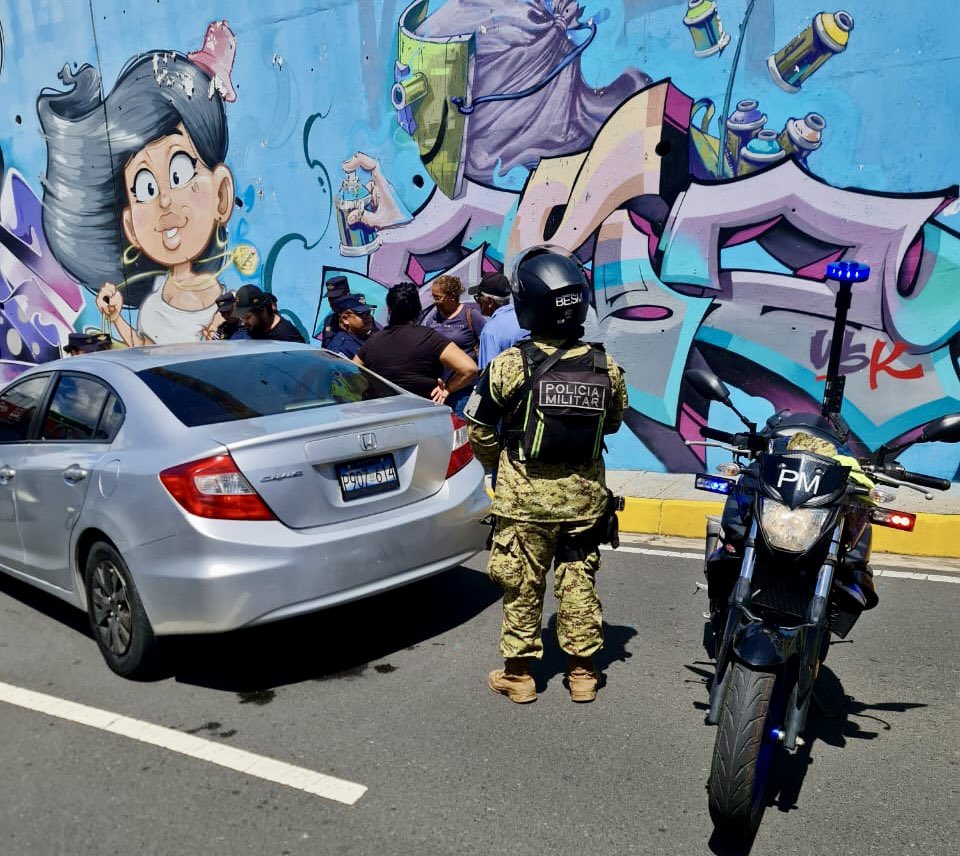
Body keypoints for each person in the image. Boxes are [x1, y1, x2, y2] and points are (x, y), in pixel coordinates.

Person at [465, 245, 628, 704]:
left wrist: (496, 465)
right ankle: (582, 674)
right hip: (584, 501)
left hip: (524, 503)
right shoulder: (606, 367)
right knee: (578, 582)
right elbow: (613, 423)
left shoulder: (510, 365)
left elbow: (479, 426)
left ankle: (519, 677)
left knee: (521, 585)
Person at [39, 24, 244, 346]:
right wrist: (117, 318)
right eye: (145, 187)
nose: (165, 201)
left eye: (180, 172)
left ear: (222, 193)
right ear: (130, 225)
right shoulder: (153, 305)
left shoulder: (224, 301)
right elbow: (144, 353)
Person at [354, 281, 477, 404]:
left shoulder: (373, 342)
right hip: (423, 411)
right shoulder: (431, 338)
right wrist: (447, 389)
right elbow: (469, 369)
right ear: (418, 308)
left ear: (389, 309)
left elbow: (351, 373)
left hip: (382, 412)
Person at [420, 274, 485, 415]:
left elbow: (486, 348)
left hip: (464, 390)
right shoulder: (432, 319)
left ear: (452, 296)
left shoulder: (470, 315)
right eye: (433, 297)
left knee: (463, 425)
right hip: (438, 390)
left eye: (438, 297)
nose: (435, 302)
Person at [469, 272, 529, 370]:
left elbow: (488, 373)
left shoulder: (490, 331)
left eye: (478, 297)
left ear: (490, 301)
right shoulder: (525, 317)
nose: (477, 302)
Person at [234, 284, 306, 342]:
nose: (244, 322)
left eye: (247, 317)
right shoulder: (255, 328)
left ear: (263, 311)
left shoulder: (287, 338)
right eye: (242, 318)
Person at [326, 294, 376, 359]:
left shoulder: (369, 337)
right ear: (345, 319)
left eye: (369, 312)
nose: (368, 317)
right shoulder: (340, 348)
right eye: (362, 314)